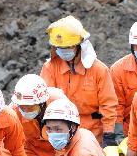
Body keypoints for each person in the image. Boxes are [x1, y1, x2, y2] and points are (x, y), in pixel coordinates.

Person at [40, 15, 118, 147]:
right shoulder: (50, 68)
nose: (64, 52)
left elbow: (108, 104)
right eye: (60, 48)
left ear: (79, 46)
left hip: (93, 132)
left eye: (68, 47)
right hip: (61, 130)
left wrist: (109, 134)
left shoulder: (98, 70)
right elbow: (44, 101)